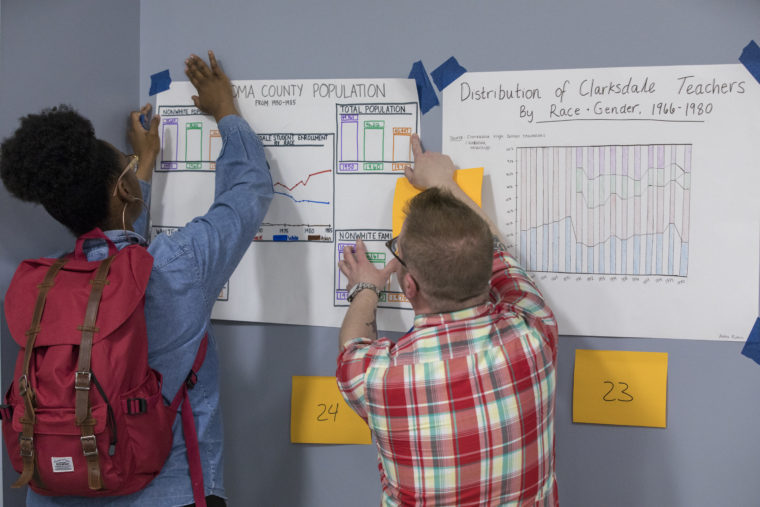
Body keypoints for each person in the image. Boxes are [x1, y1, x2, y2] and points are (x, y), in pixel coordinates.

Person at [0, 51, 273, 506]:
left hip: (54, 490)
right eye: (127, 163)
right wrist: (225, 110)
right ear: (123, 189)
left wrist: (140, 167)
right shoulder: (181, 263)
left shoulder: (42, 285)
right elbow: (248, 191)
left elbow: (118, 261)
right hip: (168, 492)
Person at [336, 134, 559, 506]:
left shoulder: (376, 377)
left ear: (409, 286)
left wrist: (365, 288)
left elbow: (352, 347)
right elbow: (498, 252)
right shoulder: (535, 332)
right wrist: (445, 182)